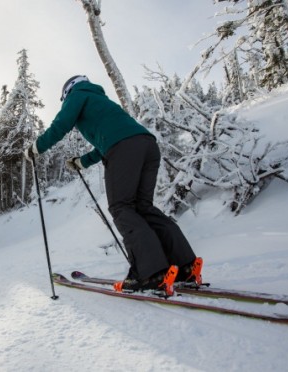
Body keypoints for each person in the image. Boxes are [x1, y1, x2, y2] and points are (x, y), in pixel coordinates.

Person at [26, 75, 202, 293]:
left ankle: (151, 274)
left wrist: (37, 147)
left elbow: (61, 124)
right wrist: (81, 162)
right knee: (143, 207)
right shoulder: (103, 102)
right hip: (147, 145)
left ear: (67, 92)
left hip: (124, 148)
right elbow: (109, 141)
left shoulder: (77, 94)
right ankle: (185, 267)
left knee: (122, 207)